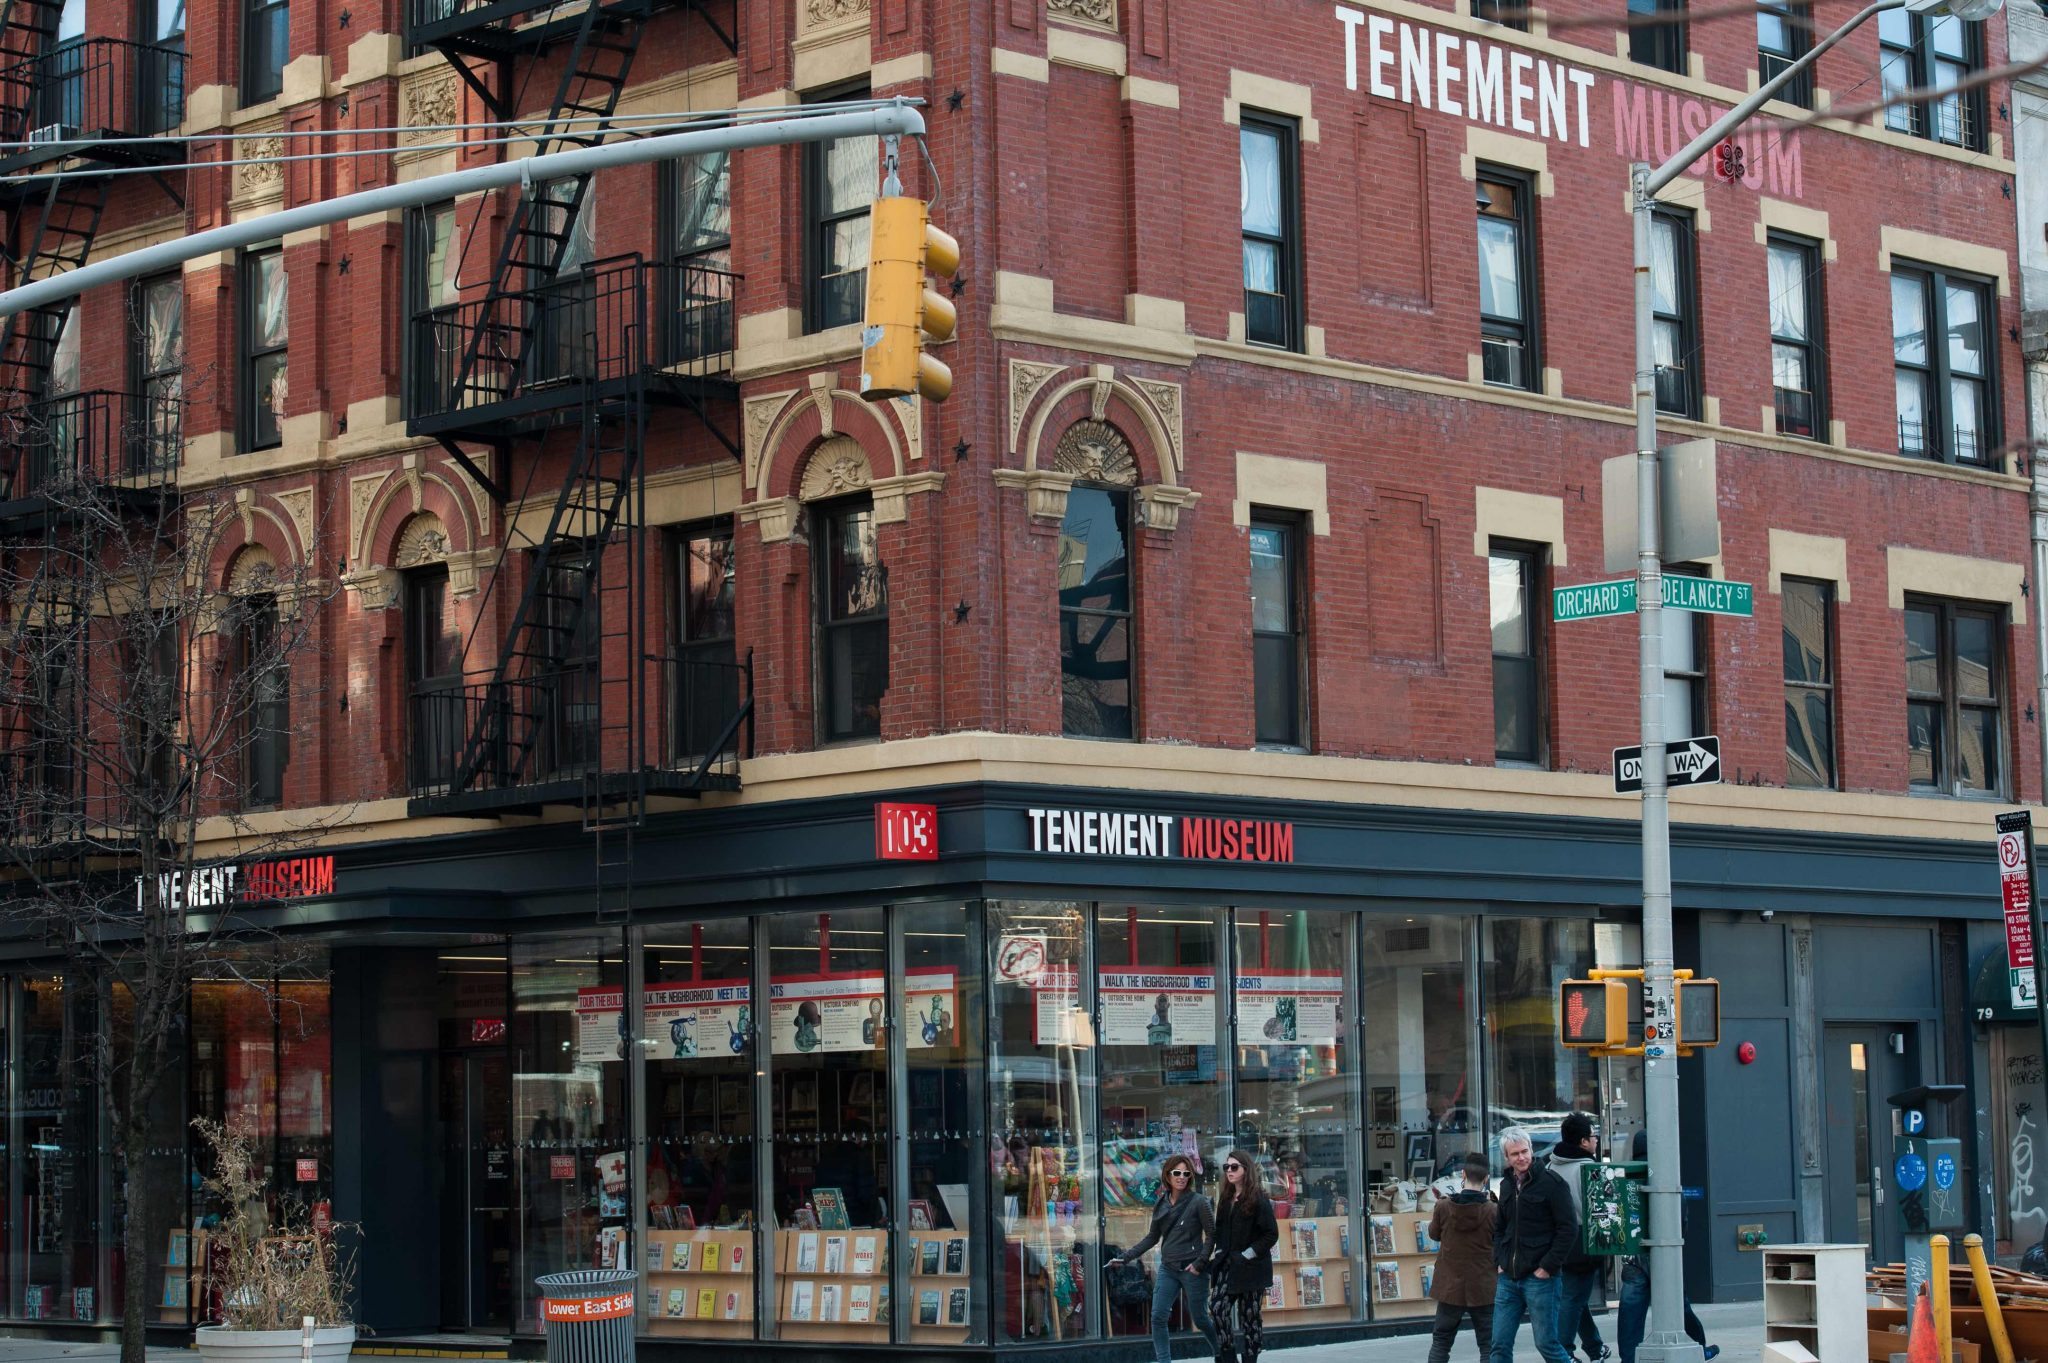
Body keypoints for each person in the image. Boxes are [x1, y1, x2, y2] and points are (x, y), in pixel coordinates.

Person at [1617, 1132, 1716, 1363]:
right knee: (1679, 1307)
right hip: (1663, 1255)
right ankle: (1700, 1348)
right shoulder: (1666, 1175)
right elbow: (1681, 1219)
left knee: (1630, 1310)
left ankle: (1628, 1357)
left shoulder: (1628, 1177)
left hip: (1634, 1256)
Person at [1112, 1153, 1218, 1363]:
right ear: (1167, 1175)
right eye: (1176, 1173)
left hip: (1192, 1269)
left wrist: (1200, 1263)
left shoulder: (1199, 1202)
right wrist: (1125, 1258)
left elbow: (1212, 1235)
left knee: (1201, 1318)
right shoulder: (1161, 1203)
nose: (1181, 1177)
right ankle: (1164, 1361)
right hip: (1168, 1268)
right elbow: (1152, 1237)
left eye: (1186, 1173)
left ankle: (1221, 1351)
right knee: (1158, 1317)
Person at [1490, 1125, 1576, 1363]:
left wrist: (1546, 1267)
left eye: (1525, 1151)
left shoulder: (1552, 1183)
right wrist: (1500, 1261)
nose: (1522, 1157)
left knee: (1547, 1344)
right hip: (1508, 1277)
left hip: (1541, 1279)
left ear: (1531, 1150)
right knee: (1498, 1345)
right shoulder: (1506, 1185)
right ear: (1506, 1158)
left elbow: (1568, 1229)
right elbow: (1500, 1228)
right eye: (1515, 1154)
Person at [1546, 1114, 1610, 1363]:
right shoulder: (1590, 1170)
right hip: (1584, 1240)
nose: (1596, 1141)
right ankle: (1564, 1351)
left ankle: (1595, 1347)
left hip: (1555, 1240)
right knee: (1573, 1298)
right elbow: (1602, 1211)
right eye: (1594, 1137)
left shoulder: (1550, 1166)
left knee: (1575, 1296)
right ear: (1584, 1141)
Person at [1207, 1148, 1278, 1363]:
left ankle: (1250, 1358)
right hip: (1228, 1265)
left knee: (1250, 1316)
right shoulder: (1226, 1198)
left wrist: (1248, 1254)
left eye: (1234, 1167)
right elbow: (1220, 1230)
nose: (1229, 1170)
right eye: (1226, 1167)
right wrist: (1219, 1251)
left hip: (1251, 1268)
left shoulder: (1258, 1199)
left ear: (1246, 1170)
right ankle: (1227, 1356)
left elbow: (1270, 1234)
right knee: (1217, 1308)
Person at [1427, 1151, 1498, 1363]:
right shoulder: (1494, 1211)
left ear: (1463, 1174)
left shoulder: (1443, 1206)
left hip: (1450, 1286)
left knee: (1441, 1340)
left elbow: (1433, 1234)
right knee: (1488, 1344)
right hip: (1484, 1286)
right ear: (1486, 1179)